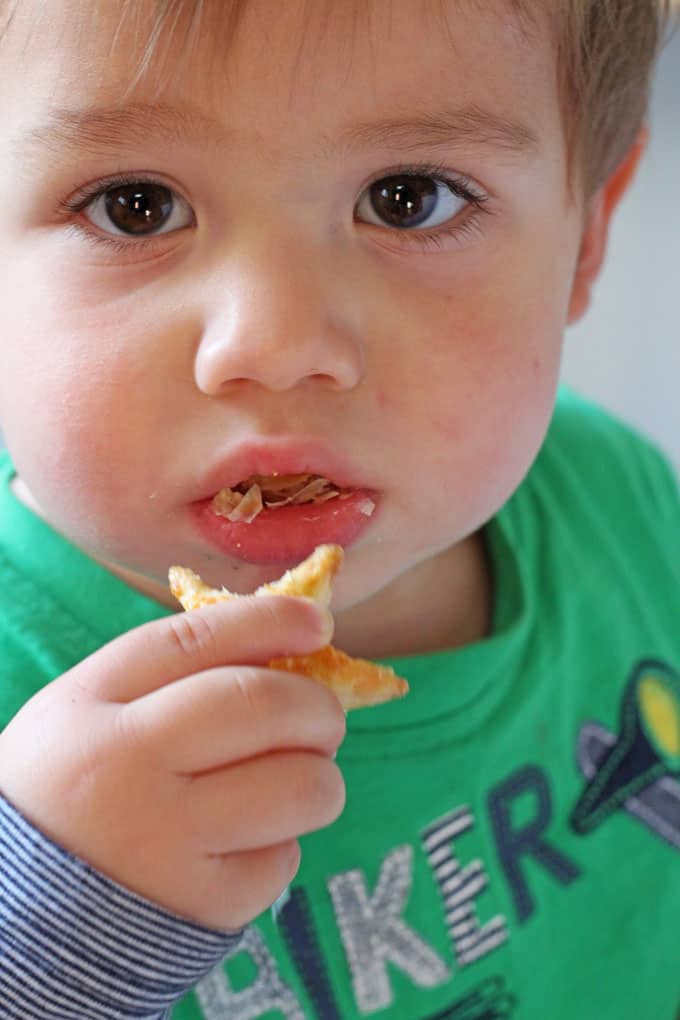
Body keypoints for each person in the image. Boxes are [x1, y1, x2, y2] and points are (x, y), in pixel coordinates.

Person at [0, 0, 677, 1017]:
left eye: (408, 200)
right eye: (133, 205)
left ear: (585, 235)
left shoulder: (613, 495)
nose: (274, 344)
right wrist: (46, 935)